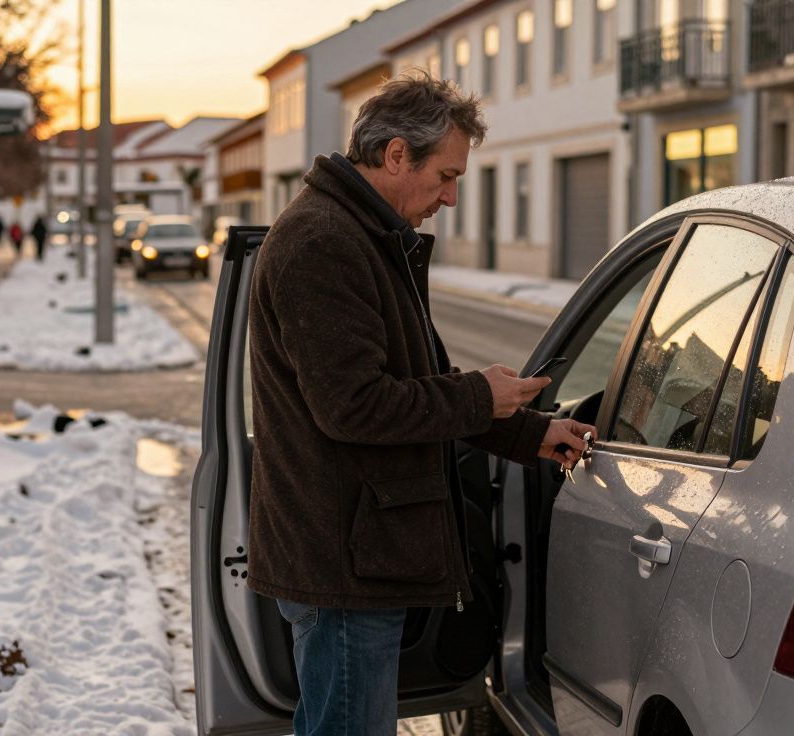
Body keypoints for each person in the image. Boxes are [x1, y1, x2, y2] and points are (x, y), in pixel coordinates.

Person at [246, 71, 596, 735]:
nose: (453, 196)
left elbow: (419, 388)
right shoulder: (324, 243)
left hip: (356, 550)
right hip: (345, 560)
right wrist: (479, 395)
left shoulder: (365, 238)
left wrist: (527, 433)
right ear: (397, 153)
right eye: (445, 176)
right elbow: (354, 407)